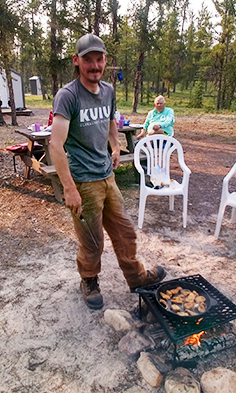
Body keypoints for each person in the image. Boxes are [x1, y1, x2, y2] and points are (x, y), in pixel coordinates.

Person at [49, 34, 166, 310]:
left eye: (99, 59)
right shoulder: (67, 96)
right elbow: (55, 144)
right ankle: (89, 280)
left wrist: (115, 144)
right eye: (87, 59)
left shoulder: (109, 91)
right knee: (92, 241)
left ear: (105, 61)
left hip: (107, 176)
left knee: (125, 232)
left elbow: (111, 120)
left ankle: (138, 279)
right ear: (76, 61)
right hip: (83, 180)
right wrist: (69, 188)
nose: (94, 65)